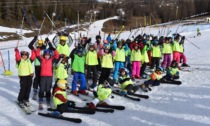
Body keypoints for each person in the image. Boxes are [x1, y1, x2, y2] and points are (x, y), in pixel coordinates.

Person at [36, 40, 60, 110]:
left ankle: (48, 99)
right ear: (44, 55)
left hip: (49, 77)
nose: (47, 56)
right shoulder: (42, 60)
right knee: (42, 88)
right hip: (43, 77)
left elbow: (57, 55)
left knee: (48, 89)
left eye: (48, 55)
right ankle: (40, 99)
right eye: (46, 55)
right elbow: (37, 54)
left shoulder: (52, 60)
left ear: (50, 55)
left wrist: (54, 49)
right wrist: (40, 48)